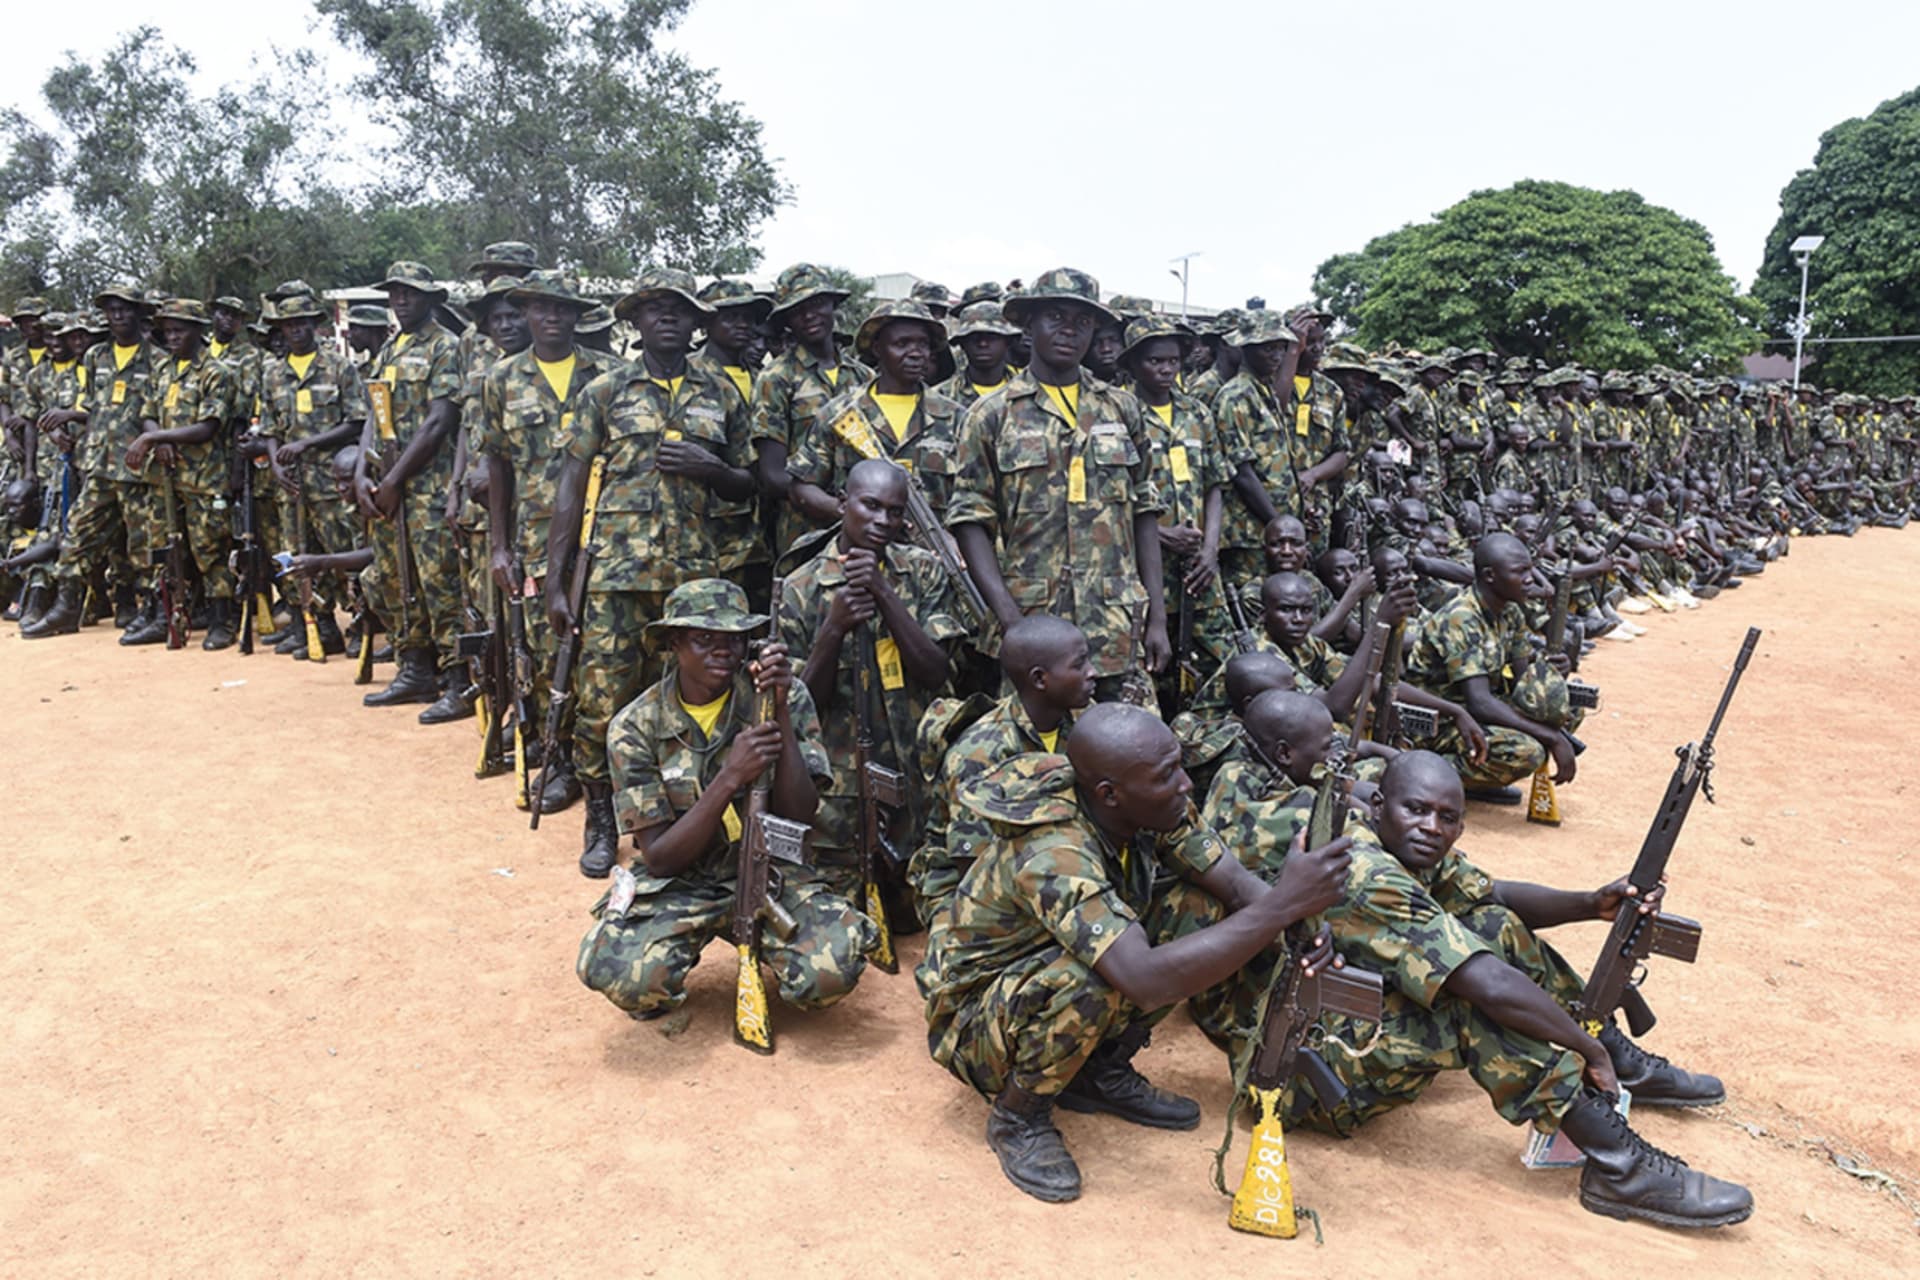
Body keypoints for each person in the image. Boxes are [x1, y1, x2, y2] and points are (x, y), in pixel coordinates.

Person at [1216, 748, 1751, 1229]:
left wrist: (1591, 903)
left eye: (1447, 818)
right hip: (1299, 1079)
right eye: (1417, 810)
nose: (1431, 827)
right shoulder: (1365, 870)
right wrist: (1578, 1047)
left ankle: (1610, 1054)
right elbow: (1486, 984)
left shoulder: (1404, 842)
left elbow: (1490, 894)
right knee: (1466, 1005)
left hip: (1332, 1035)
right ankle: (1620, 1166)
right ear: (1377, 806)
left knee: (1495, 925)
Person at [917, 701, 1354, 1203]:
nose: (1187, 784)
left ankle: (1098, 1069)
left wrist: (1298, 920)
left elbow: (1231, 884)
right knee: (1094, 979)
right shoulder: (1052, 849)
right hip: (974, 1020)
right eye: (1168, 775)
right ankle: (1018, 1115)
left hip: (1046, 964)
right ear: (1110, 795)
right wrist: (1281, 906)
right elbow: (1143, 978)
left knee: (1200, 908)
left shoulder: (1149, 796)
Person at [575, 578, 876, 1022]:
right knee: (616, 970)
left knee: (834, 969)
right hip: (684, 879)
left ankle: (767, 950)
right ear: (674, 642)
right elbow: (658, 857)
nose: (724, 652)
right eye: (705, 640)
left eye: (735, 641)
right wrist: (731, 777)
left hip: (770, 870)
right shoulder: (635, 726)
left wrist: (781, 714)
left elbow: (801, 812)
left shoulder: (780, 695)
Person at [552, 268, 757, 878]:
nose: (665, 315)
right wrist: (557, 583)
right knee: (602, 702)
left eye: (678, 307)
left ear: (696, 323)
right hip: (615, 577)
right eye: (651, 307)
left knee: (701, 701)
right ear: (634, 321)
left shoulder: (722, 392)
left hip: (696, 584)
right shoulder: (604, 391)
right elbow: (570, 484)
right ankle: (603, 817)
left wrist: (708, 466)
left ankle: (692, 815)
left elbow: (750, 482)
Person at [947, 267, 1171, 700]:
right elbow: (970, 520)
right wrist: (1010, 622)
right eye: (1055, 317)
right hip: (1033, 626)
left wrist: (1157, 616)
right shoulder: (991, 414)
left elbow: (1145, 512)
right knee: (1036, 759)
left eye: (1082, 322)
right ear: (1028, 325)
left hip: (1116, 624)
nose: (1069, 331)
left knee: (1131, 754)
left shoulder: (1123, 409)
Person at [777, 459, 964, 913]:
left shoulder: (922, 572)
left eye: (895, 512)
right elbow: (802, 704)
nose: (883, 522)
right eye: (871, 506)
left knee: (916, 914)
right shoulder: (800, 586)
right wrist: (833, 629)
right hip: (842, 784)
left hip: (915, 771)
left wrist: (884, 592)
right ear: (844, 504)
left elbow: (935, 670)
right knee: (840, 918)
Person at [479, 270, 623, 811]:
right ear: (527, 314)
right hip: (534, 538)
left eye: (563, 309)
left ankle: (606, 765)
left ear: (578, 315)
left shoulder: (610, 373)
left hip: (603, 537)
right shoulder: (501, 379)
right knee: (544, 652)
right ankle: (558, 759)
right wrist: (498, 544)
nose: (552, 318)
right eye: (542, 309)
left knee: (602, 652)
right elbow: (496, 462)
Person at [908, 613, 1094, 927]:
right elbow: (972, 863)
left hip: (1049, 861)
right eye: (1079, 665)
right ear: (1039, 679)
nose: (1093, 673)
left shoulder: (1082, 722)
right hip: (968, 887)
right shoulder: (982, 753)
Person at [354, 262, 465, 708]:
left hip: (429, 490)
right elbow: (373, 415)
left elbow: (440, 421)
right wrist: (364, 471)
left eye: (411, 293)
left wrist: (395, 481)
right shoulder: (389, 350)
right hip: (388, 491)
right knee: (397, 581)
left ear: (431, 298)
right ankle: (416, 669)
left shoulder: (446, 347)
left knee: (441, 586)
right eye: (395, 293)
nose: (401, 300)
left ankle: (458, 680)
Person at [1403, 531, 1582, 801]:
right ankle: (1435, 777)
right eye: (1520, 571)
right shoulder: (1462, 617)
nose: (1530, 579)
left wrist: (1553, 674)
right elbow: (1480, 703)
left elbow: (1523, 683)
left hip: (1471, 709)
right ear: (1490, 576)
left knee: (1565, 708)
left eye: (1530, 569)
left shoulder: (1509, 611)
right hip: (1438, 719)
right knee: (1528, 751)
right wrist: (1553, 738)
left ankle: (1481, 773)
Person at [257, 291, 369, 658]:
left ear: (314, 326)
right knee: (293, 556)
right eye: (289, 325)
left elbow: (356, 421)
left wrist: (307, 445)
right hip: (290, 485)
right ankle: (317, 624)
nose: (296, 331)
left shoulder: (339, 367)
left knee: (343, 554)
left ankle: (358, 624)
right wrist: (275, 463)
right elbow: (270, 429)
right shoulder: (272, 373)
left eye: (302, 323)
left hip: (330, 483)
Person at [124, 299, 240, 649]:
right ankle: (167, 614)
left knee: (209, 549)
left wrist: (155, 437)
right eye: (168, 331)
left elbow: (208, 427)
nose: (172, 337)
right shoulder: (163, 369)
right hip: (166, 475)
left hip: (204, 478)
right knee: (163, 546)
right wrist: (156, 436)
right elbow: (147, 412)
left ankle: (222, 619)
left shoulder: (216, 372)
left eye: (179, 330)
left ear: (198, 331)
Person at [787, 299, 965, 525]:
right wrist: (846, 512)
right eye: (902, 343)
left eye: (923, 344)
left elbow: (974, 498)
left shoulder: (956, 418)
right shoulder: (840, 415)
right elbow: (801, 486)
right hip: (858, 554)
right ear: (877, 348)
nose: (915, 353)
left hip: (932, 554)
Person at [751, 264, 869, 562]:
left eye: (817, 304)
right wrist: (834, 507)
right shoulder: (776, 378)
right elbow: (772, 474)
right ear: (787, 321)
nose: (809, 315)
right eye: (797, 310)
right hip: (804, 531)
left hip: (869, 525)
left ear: (832, 305)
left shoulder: (864, 377)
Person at [937, 300, 1019, 413]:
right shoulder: (940, 397)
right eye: (974, 337)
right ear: (962, 343)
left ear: (1008, 341)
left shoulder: (1029, 393)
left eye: (992, 336)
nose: (983, 344)